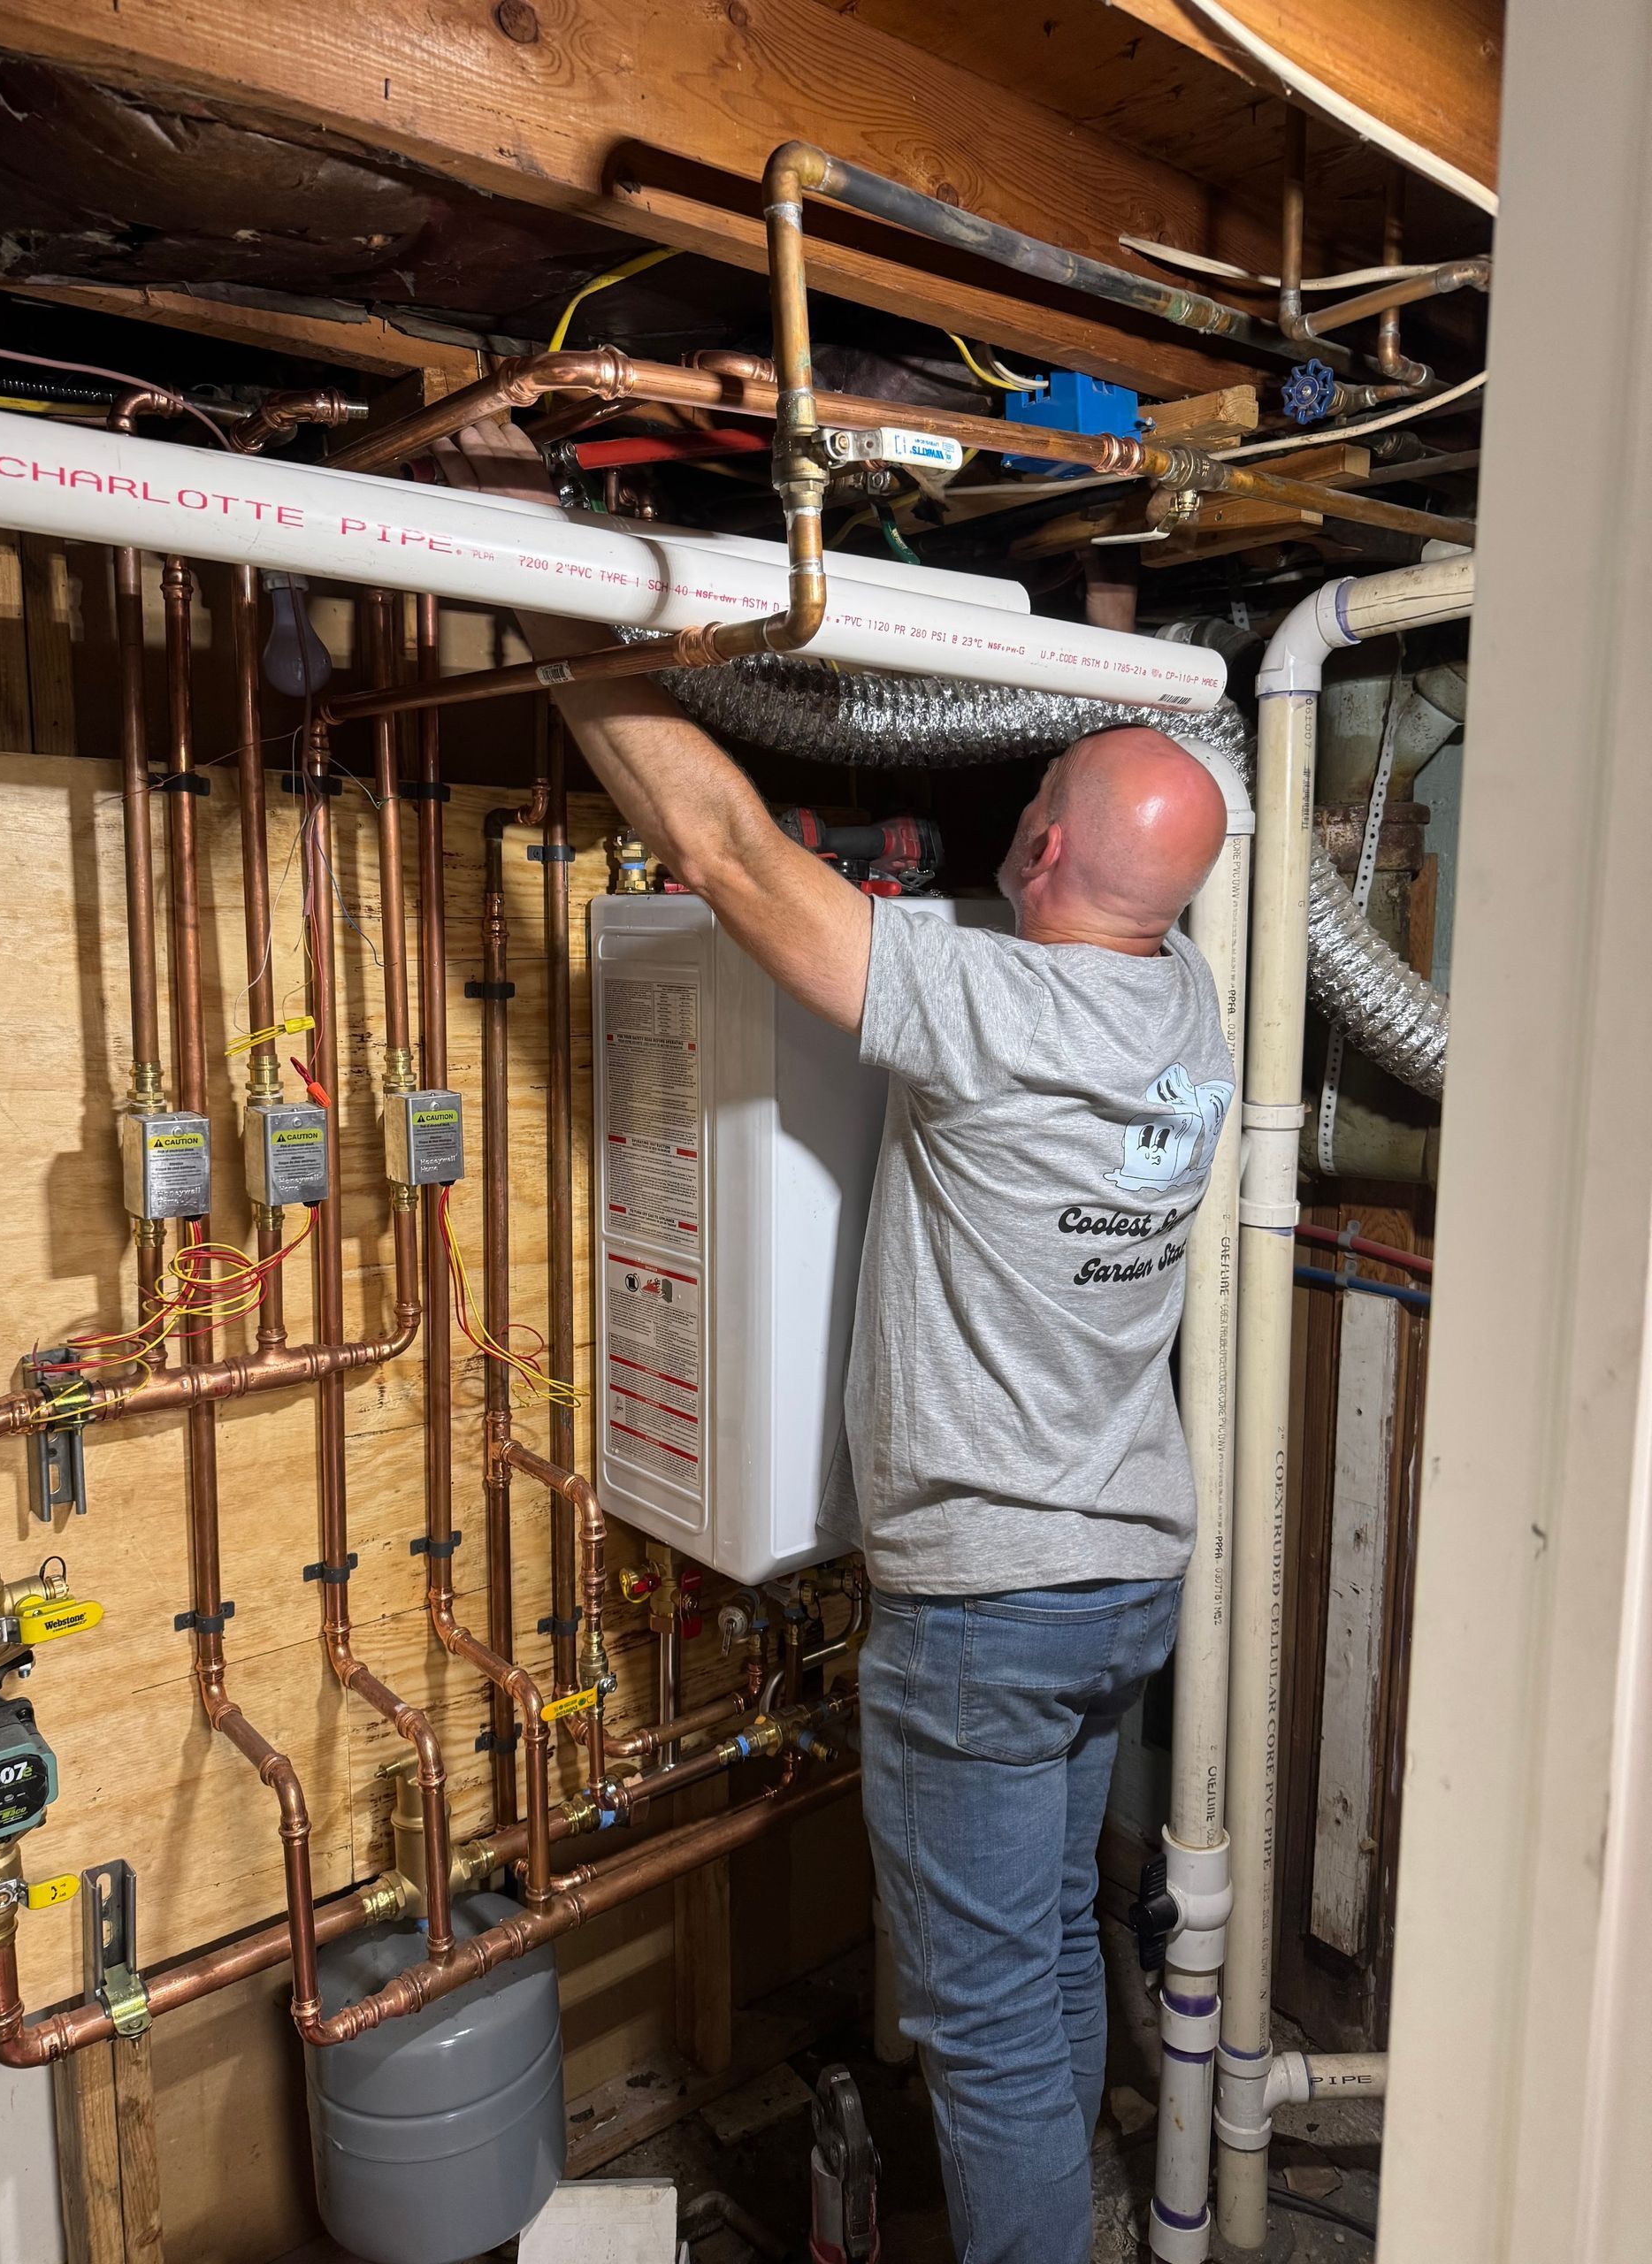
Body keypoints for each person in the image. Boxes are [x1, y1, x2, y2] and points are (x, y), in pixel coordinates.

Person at [440, 418, 1233, 2264]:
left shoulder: (992, 1004)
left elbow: (712, 839)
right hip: (1128, 1570)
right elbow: (1142, 842)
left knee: (981, 2043)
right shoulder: (1189, 1002)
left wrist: (537, 564)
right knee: (1044, 1943)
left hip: (987, 1593)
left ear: (1033, 848)